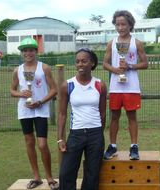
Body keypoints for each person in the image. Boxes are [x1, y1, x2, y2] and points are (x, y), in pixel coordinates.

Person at [10, 38, 59, 190]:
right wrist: (20, 94)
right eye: (25, 50)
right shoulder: (17, 70)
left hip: (40, 109)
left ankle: (49, 178)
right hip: (24, 110)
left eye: (31, 50)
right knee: (29, 142)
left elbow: (54, 89)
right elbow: (12, 90)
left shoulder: (44, 68)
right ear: (22, 53)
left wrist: (40, 102)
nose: (28, 53)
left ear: (36, 51)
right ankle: (36, 177)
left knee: (42, 145)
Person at [58, 48, 107, 190]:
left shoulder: (100, 85)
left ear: (92, 63)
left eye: (84, 61)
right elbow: (62, 114)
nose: (80, 64)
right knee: (66, 172)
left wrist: (98, 133)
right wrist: (60, 138)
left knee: (92, 174)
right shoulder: (67, 85)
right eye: (77, 61)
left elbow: (103, 113)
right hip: (76, 134)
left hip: (95, 134)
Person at [102, 10, 148, 160]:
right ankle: (113, 146)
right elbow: (104, 63)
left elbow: (145, 64)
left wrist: (130, 66)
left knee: (132, 117)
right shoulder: (112, 43)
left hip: (132, 87)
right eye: (117, 24)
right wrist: (115, 70)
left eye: (123, 24)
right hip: (116, 87)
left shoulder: (137, 43)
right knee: (114, 116)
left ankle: (134, 147)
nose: (120, 27)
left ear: (130, 25)